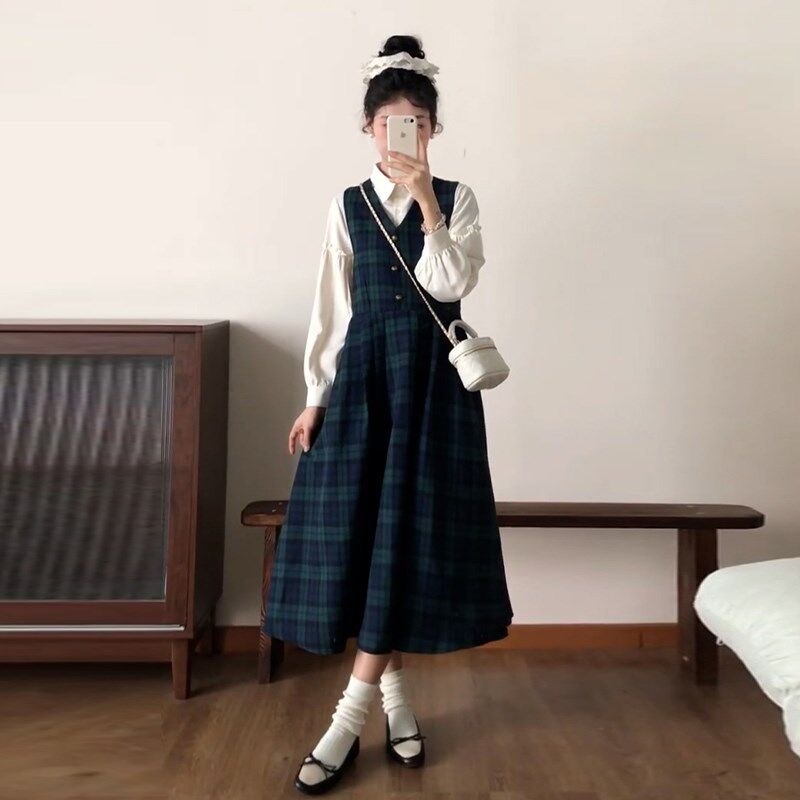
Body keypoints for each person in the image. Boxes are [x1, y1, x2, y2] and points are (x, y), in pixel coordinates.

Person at [263, 34, 514, 795]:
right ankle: (397, 705)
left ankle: (346, 720)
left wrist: (430, 202)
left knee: (405, 534)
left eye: (417, 125)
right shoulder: (346, 206)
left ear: (432, 129)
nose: (401, 137)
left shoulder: (459, 199)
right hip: (365, 386)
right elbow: (331, 311)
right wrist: (315, 398)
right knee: (370, 538)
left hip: (432, 391)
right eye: (388, 125)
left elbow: (449, 286)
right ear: (369, 128)